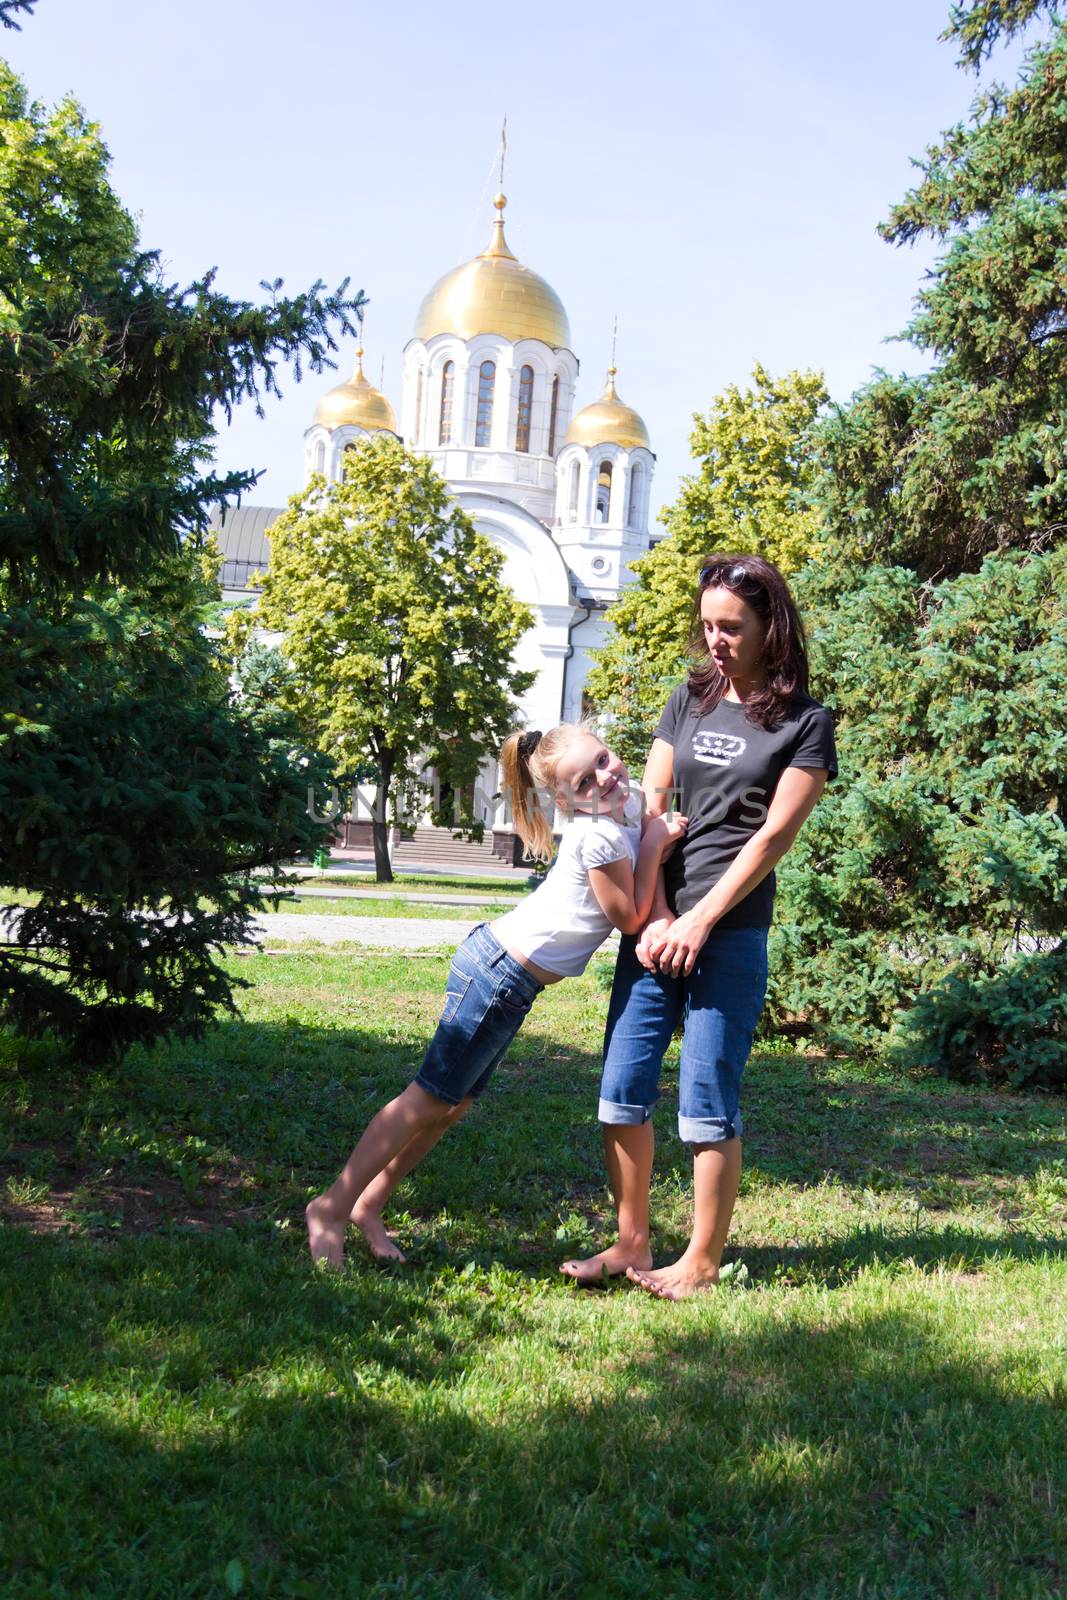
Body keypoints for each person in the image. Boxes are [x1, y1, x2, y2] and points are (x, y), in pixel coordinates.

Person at [306, 721, 687, 1267]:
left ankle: (369, 1205)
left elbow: (644, 815)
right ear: (563, 800)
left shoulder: (618, 813)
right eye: (585, 780)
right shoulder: (595, 833)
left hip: (510, 979)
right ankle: (331, 1206)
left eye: (604, 760)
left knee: (450, 1105)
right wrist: (653, 847)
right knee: (428, 1098)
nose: (605, 778)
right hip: (499, 973)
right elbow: (629, 917)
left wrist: (650, 823)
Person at [561, 554, 837, 1299]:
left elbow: (773, 837)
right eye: (707, 625)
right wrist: (655, 917)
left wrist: (700, 921)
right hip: (655, 927)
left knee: (706, 1099)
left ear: (768, 626)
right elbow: (651, 806)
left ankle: (702, 1261)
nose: (715, 640)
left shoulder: (804, 724)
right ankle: (630, 1244)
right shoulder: (687, 700)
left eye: (731, 627)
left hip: (731, 931)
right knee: (620, 1090)